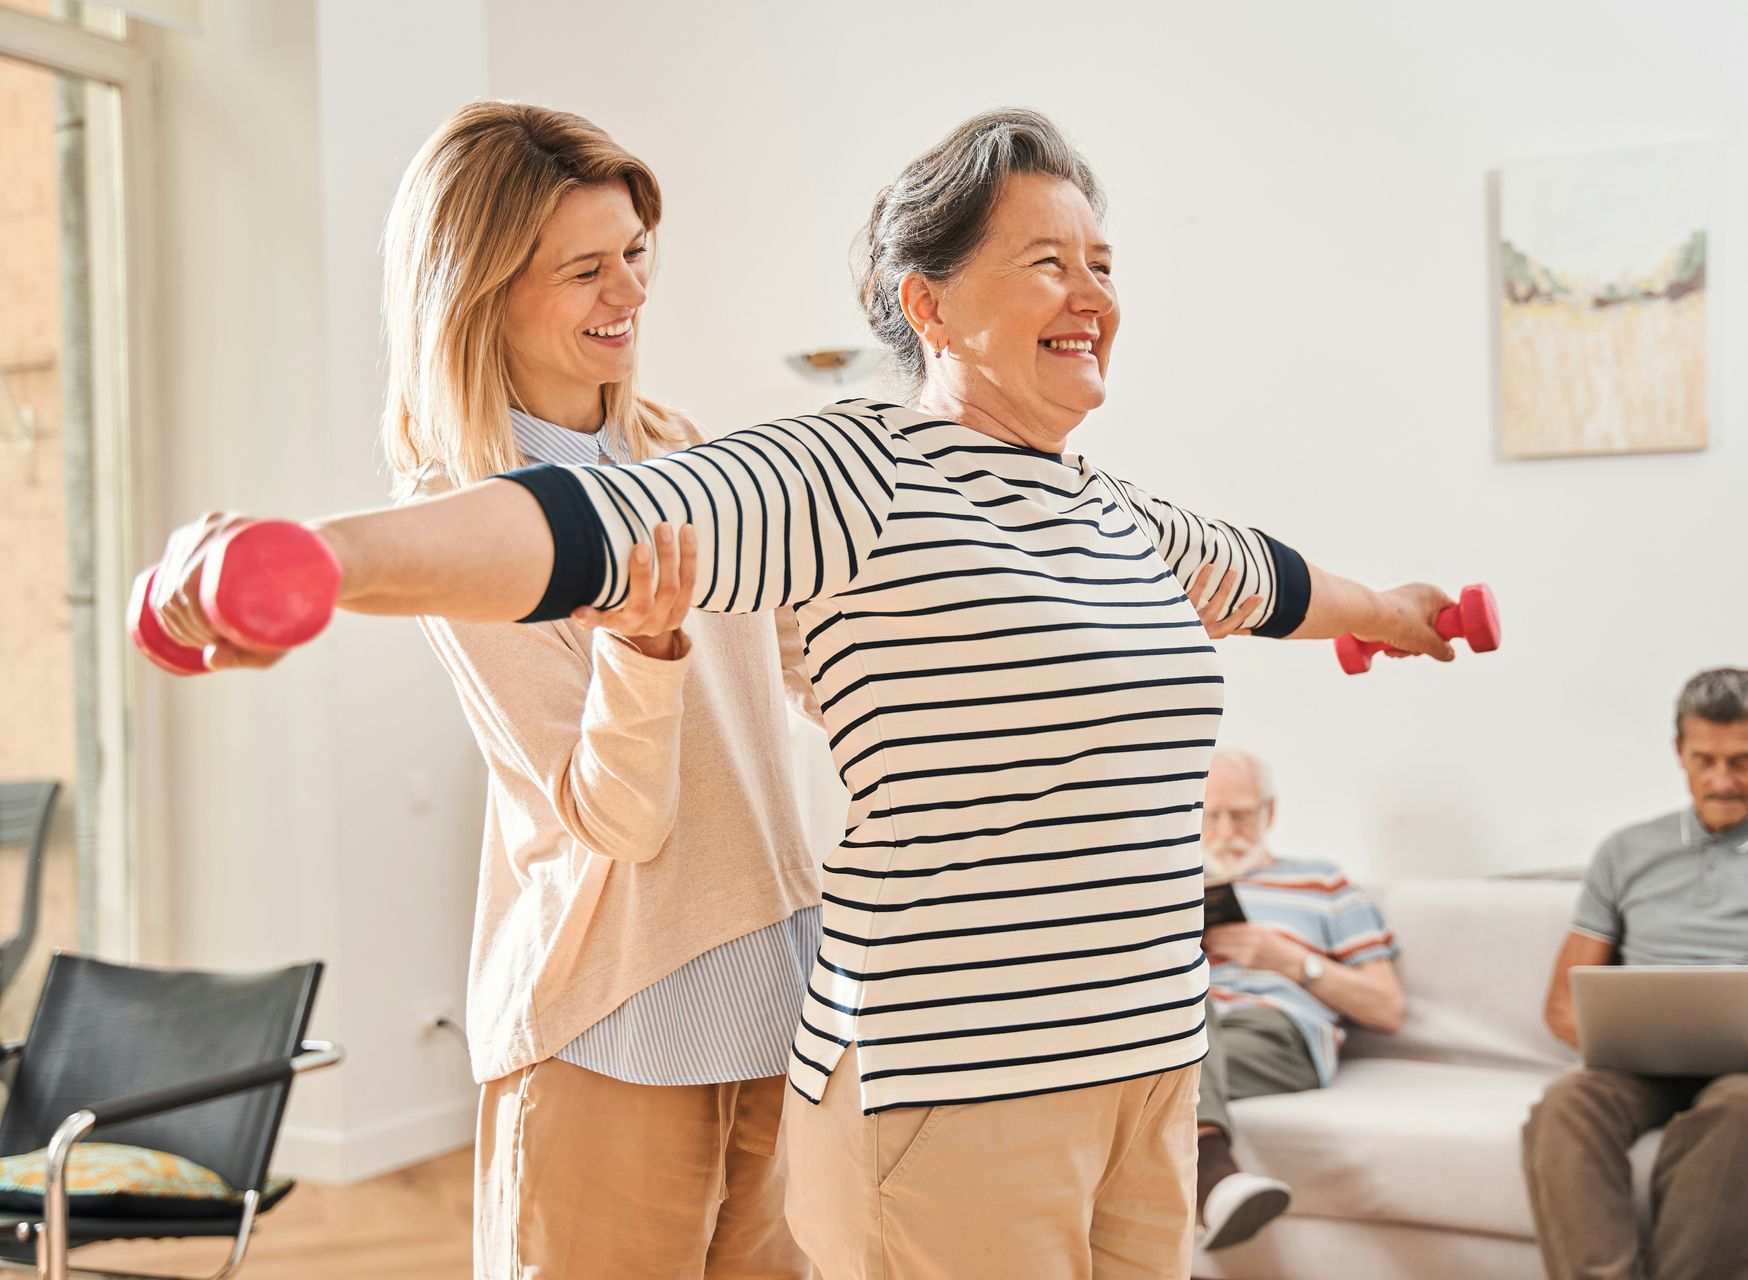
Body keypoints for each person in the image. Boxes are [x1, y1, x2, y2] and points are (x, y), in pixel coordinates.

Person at [144, 108, 1468, 1277]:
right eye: (1047, 262)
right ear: (931, 306)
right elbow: (558, 546)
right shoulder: (798, 474)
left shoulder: (1080, 505)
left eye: (1104, 263)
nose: (627, 293)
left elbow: (1259, 577)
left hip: (858, 984)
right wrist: (311, 563)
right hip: (652, 1002)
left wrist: (1389, 616)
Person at [380, 101, 829, 1278]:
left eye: (634, 253)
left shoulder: (684, 447)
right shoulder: (467, 519)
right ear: (483, 290)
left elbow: (799, 658)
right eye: (586, 268)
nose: (627, 291)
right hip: (612, 1010)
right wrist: (644, 647)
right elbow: (618, 818)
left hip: (776, 977)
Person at [1523, 667, 1748, 1280]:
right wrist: (1621, 1038)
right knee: (1565, 1105)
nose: (1722, 781)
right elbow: (1561, 1006)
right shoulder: (1624, 853)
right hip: (1641, 1068)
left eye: (1742, 761)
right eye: (1705, 760)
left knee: (1736, 1110)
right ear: (1678, 753)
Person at [1191, 746, 1405, 1251]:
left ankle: (1209, 1168)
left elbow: (1387, 1006)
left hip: (1276, 1034)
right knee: (1177, 1003)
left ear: (1270, 812)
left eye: (1240, 815)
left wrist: (1289, 960)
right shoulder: (1170, 888)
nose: (1226, 832)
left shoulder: (1323, 883)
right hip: (1197, 1026)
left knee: (1171, 1039)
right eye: (1211, 815)